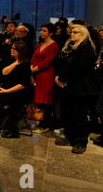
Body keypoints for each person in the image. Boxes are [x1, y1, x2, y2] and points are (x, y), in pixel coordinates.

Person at [54, 24, 99, 154]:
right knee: (69, 114)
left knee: (80, 116)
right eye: (71, 32)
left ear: (83, 34)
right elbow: (66, 65)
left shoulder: (87, 48)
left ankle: (81, 141)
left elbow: (79, 70)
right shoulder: (74, 47)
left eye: (75, 32)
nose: (71, 34)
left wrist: (62, 79)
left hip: (81, 88)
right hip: (70, 87)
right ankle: (70, 137)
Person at [0, 41, 32, 138]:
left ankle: (7, 126)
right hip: (8, 88)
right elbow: (3, 72)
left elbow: (22, 84)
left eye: (14, 48)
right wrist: (15, 63)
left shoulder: (25, 65)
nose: (11, 50)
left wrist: (6, 91)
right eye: (12, 48)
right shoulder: (12, 60)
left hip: (19, 92)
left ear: (20, 51)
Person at [30, 23, 60, 133]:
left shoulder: (54, 45)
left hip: (46, 75)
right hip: (37, 74)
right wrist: (31, 68)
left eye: (44, 31)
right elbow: (33, 58)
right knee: (39, 100)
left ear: (50, 33)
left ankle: (45, 124)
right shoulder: (39, 45)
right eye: (41, 30)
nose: (41, 32)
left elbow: (47, 62)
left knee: (46, 100)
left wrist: (35, 69)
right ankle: (41, 122)